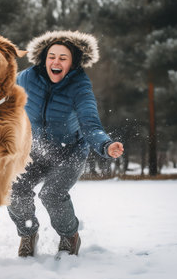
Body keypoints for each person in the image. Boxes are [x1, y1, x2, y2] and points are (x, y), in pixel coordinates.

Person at [7, 30, 124, 257]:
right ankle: (28, 234)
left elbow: (90, 123)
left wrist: (105, 145)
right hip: (36, 150)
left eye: (63, 58)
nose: (56, 62)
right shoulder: (27, 78)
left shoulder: (79, 86)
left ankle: (70, 236)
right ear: (44, 58)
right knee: (13, 189)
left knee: (51, 194)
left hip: (70, 152)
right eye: (52, 56)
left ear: (73, 62)